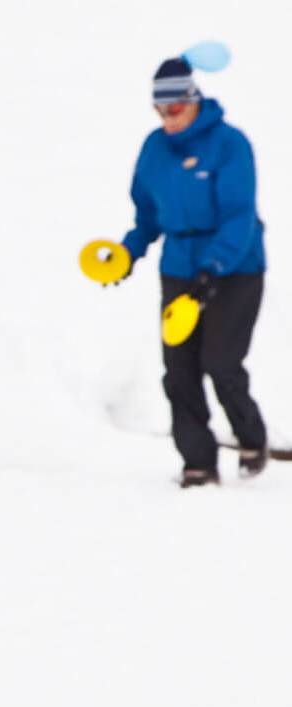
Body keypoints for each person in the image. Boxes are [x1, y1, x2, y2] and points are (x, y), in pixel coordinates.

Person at [120, 55, 268, 487]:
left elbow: (240, 216)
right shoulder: (154, 149)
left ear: (193, 99)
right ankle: (197, 462)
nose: (167, 119)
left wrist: (214, 269)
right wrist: (128, 253)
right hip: (180, 271)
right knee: (179, 368)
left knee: (221, 362)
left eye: (175, 110)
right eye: (160, 111)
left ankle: (251, 436)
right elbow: (147, 216)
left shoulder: (229, 144)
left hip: (235, 268)